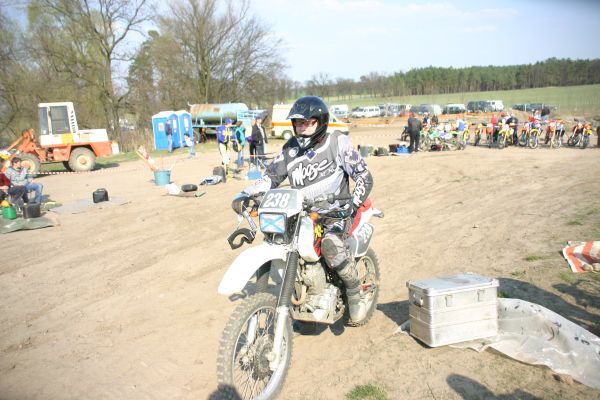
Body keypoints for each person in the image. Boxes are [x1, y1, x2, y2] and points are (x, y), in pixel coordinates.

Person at [232, 96, 374, 324]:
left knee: (331, 245)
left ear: (321, 122)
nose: (302, 127)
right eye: (298, 123)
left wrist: (352, 205)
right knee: (278, 240)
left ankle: (354, 291)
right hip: (302, 214)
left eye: (308, 122)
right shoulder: (290, 149)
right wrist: (246, 193)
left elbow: (364, 177)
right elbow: (270, 178)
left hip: (335, 213)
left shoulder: (338, 142)